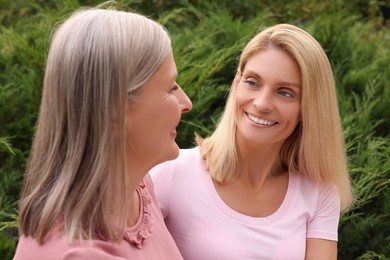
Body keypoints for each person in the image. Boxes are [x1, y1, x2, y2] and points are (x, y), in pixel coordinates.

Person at [149, 23, 353, 260]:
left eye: (285, 92)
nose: (262, 103)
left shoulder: (320, 193)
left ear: (309, 108)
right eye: (252, 82)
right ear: (237, 84)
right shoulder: (169, 173)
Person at [13, 7, 192, 260]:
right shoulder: (81, 254)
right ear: (114, 110)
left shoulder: (134, 187)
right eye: (170, 87)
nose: (186, 103)